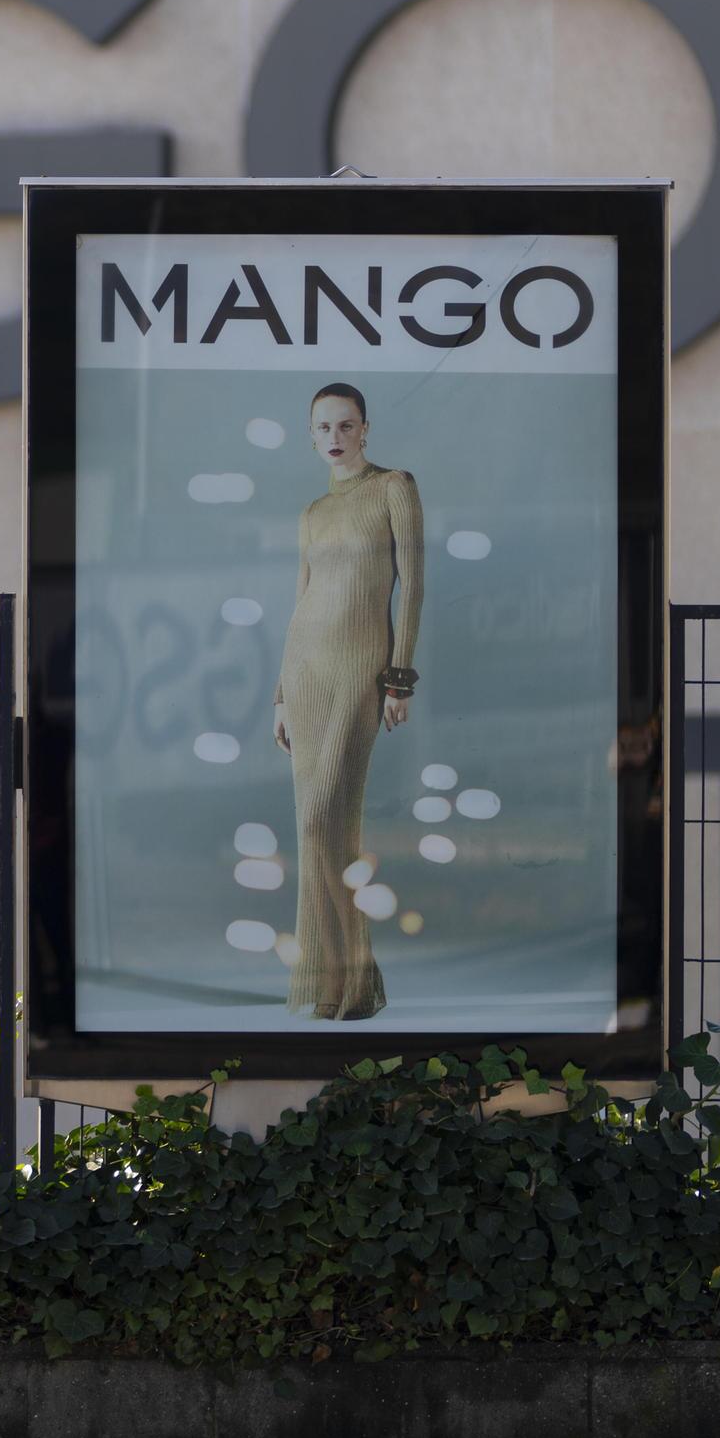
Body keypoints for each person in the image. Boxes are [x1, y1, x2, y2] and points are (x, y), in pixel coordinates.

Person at [270, 382, 423, 1020]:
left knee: (324, 823)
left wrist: (399, 677)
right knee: (316, 833)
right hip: (305, 673)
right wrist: (281, 695)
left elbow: (412, 586)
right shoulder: (312, 512)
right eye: (323, 428)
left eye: (346, 425)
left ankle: (356, 981)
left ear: (365, 428)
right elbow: (300, 600)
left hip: (361, 670)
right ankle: (333, 986)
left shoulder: (394, 488)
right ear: (311, 437)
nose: (334, 437)